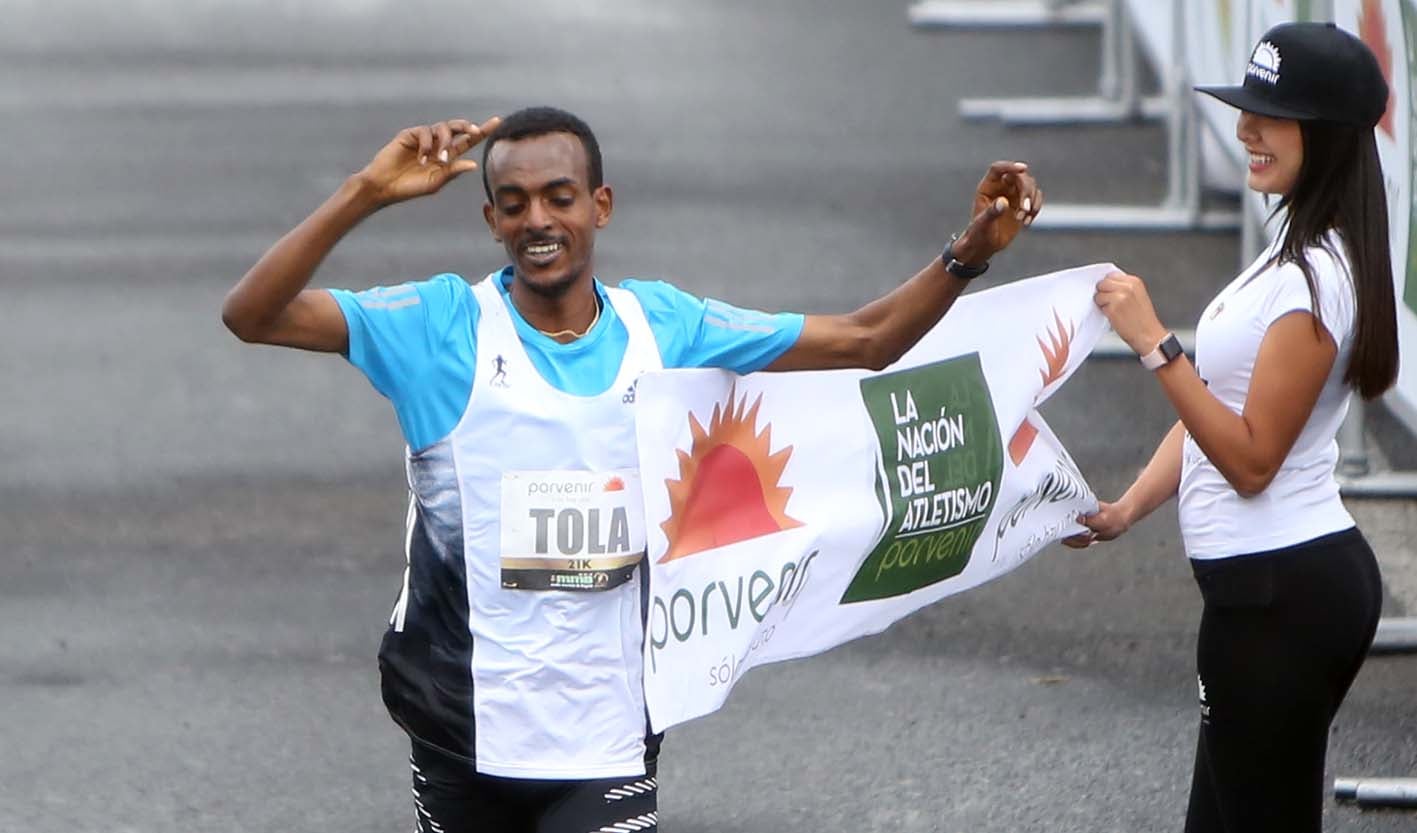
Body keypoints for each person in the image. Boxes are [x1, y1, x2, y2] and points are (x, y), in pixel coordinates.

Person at [221, 105, 1042, 833]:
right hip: (457, 722)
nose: (537, 220)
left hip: (608, 728)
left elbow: (867, 339)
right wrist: (365, 191)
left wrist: (966, 253)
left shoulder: (665, 327)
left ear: (599, 206)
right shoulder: (438, 326)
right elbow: (251, 315)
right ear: (491, 220)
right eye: (514, 205)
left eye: (559, 197)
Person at [1069, 22, 1398, 833]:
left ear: (1323, 136)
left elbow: (1250, 459)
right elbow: (1216, 405)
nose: (1245, 129)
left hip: (1279, 598)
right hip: (1264, 590)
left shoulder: (1316, 283)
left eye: (1268, 115)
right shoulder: (1290, 246)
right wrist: (1125, 509)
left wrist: (1153, 342)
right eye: (1245, 110)